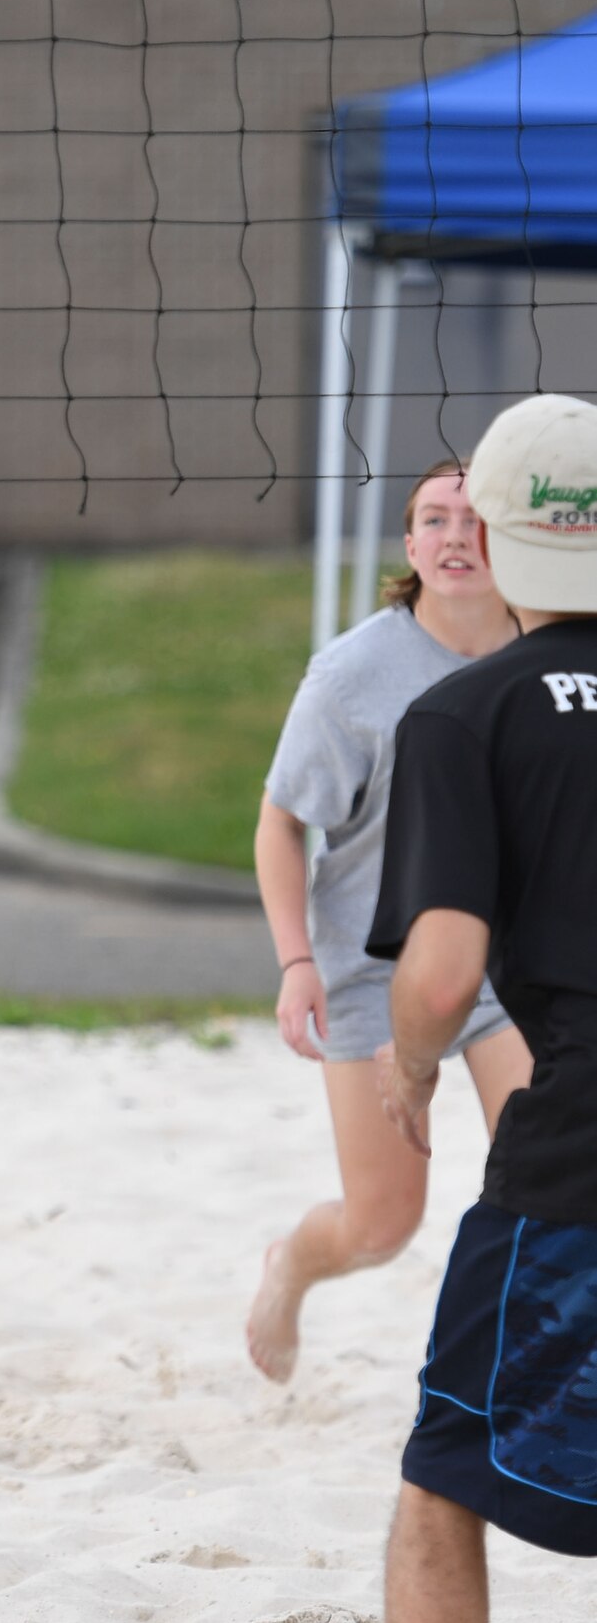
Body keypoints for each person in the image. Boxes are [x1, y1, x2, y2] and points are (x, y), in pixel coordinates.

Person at [367, 393, 597, 1623]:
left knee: (446, 1468)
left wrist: (406, 1067)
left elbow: (442, 974)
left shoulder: (464, 716)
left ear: (498, 542)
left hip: (574, 1149)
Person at [247, 462, 532, 1383]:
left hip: (506, 968)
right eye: (434, 520)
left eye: (477, 519)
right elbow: (281, 823)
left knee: (546, 1170)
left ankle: (528, 1366)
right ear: (409, 547)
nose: (457, 536)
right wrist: (297, 964)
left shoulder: (554, 651)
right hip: (368, 969)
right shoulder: (354, 675)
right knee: (380, 1227)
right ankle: (290, 1264)